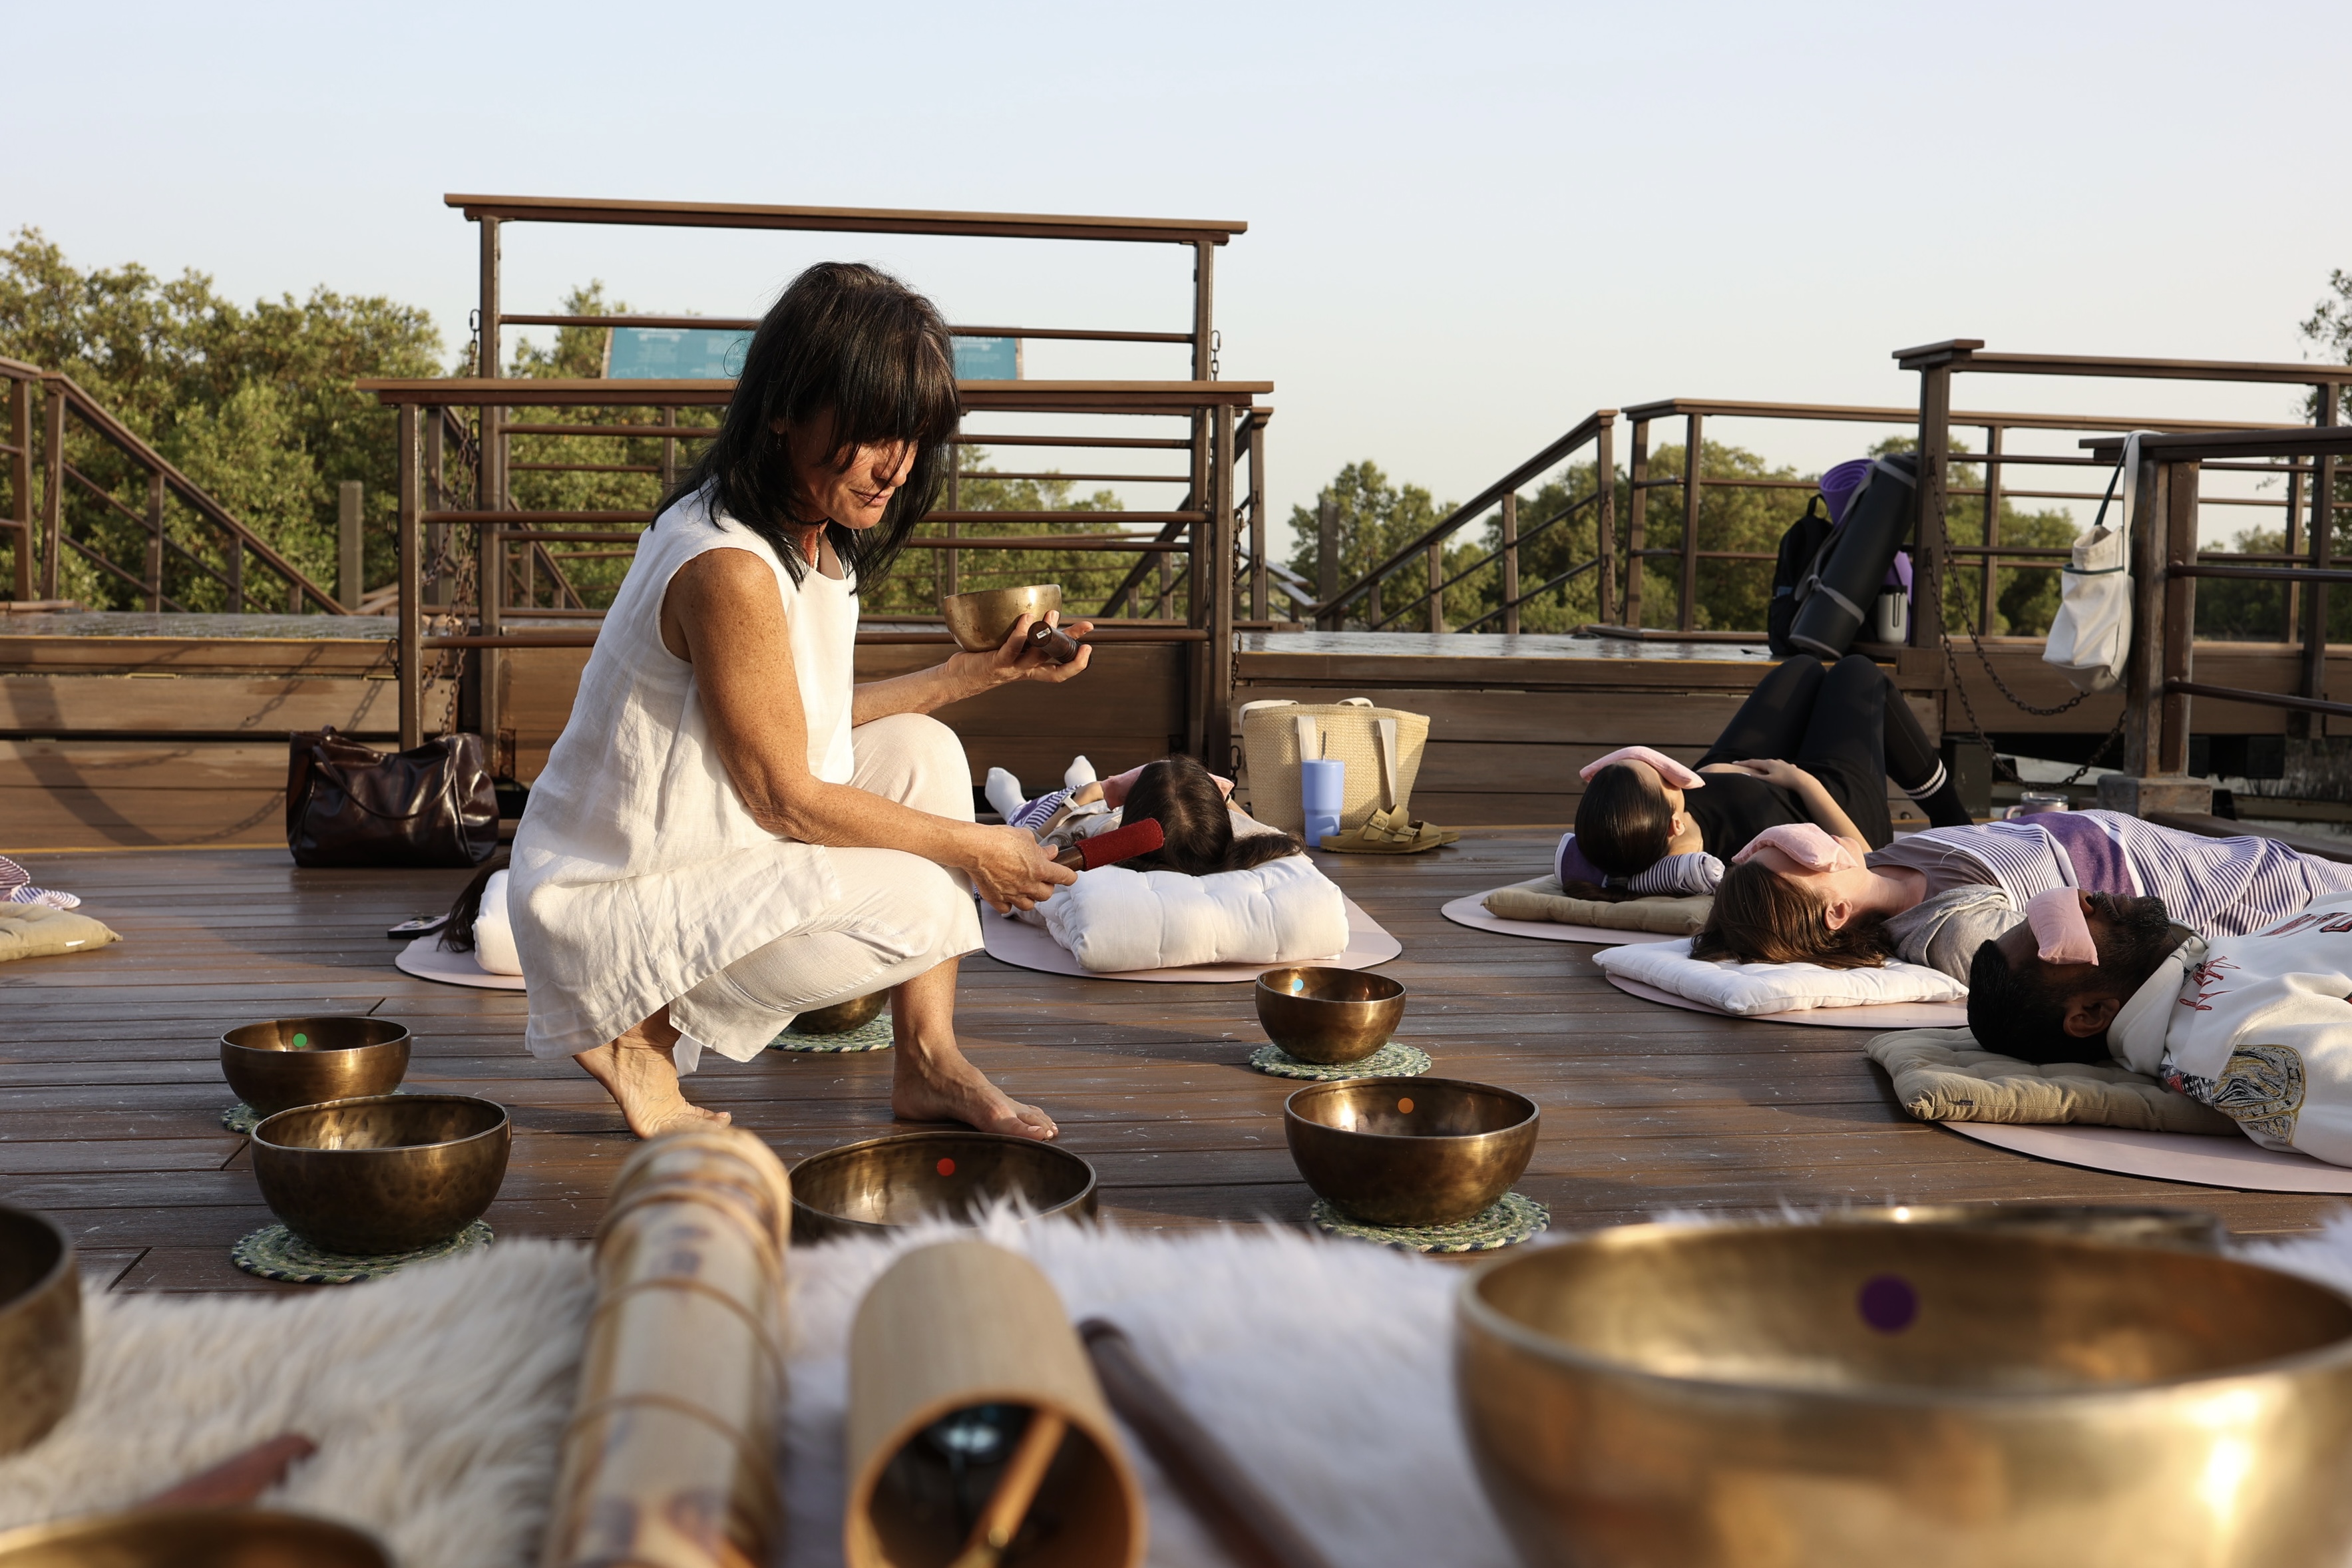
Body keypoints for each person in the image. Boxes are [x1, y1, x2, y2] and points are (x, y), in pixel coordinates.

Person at [507, 262, 1090, 1141]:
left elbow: (801, 716)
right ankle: (634, 1029)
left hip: (718, 842)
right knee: (930, 902)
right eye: (873, 432)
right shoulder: (726, 564)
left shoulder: (807, 543)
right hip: (613, 892)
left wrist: (974, 674)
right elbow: (785, 793)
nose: (897, 468)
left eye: (914, 437)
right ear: (784, 407)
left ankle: (926, 1061)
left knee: (927, 751)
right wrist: (978, 851)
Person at [1694, 807, 2352, 978]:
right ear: (1836, 911)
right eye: (1795, 859)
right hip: (2248, 898)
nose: (1798, 845)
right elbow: (2063, 950)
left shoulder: (1886, 865)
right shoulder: (1946, 929)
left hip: (2230, 858)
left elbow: (1846, 850)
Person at [1975, 886, 2352, 1167]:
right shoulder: (2231, 1047)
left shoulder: (2225, 952)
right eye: (2058, 928)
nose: (2085, 898)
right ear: (2091, 1014)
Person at [1563, 654, 1970, 897]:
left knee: (1802, 669)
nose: (1660, 765)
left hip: (1736, 777)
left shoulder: (1629, 827)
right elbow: (1868, 863)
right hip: (1827, 802)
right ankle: (1953, 819)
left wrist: (1713, 772)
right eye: (1660, 776)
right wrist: (1801, 781)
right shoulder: (1749, 854)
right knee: (1857, 674)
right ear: (1673, 823)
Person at [1002, 753, 1305, 875]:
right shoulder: (1234, 839)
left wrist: (1086, 796)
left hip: (1088, 808)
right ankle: (1082, 777)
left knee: (1015, 806)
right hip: (1115, 804)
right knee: (1080, 775)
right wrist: (1218, 796)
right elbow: (1270, 833)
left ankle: (1017, 795)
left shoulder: (1100, 841)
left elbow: (1036, 837)